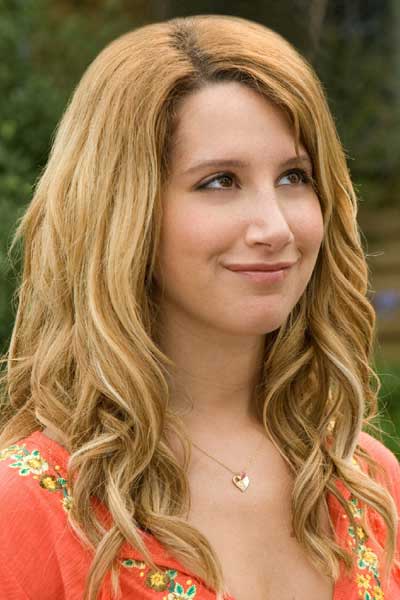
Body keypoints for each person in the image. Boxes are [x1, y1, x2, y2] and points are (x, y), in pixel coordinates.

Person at [0, 13, 399, 600]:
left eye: (294, 176)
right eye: (220, 182)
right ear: (124, 211)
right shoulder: (28, 510)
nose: (275, 227)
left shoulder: (369, 481)